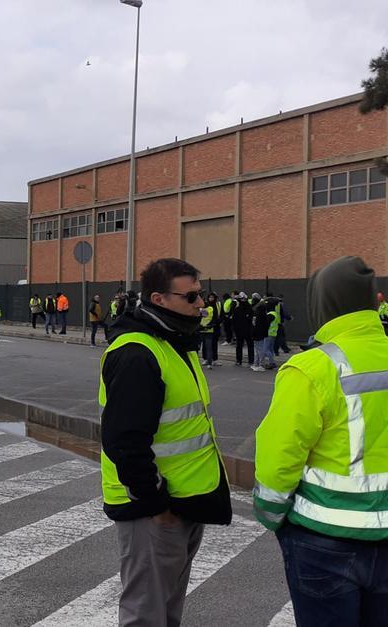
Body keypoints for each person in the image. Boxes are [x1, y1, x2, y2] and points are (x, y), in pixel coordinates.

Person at [253, 256, 388, 627]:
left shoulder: (310, 368)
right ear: (375, 303)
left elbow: (279, 461)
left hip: (322, 537)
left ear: (322, 307)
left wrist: (272, 516)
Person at [99, 258, 231, 626]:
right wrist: (155, 503)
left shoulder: (175, 343)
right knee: (146, 613)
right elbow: (124, 441)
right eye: (190, 297)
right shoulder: (137, 352)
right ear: (159, 298)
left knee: (167, 610)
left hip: (182, 503)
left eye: (201, 295)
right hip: (153, 510)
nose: (201, 304)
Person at [232, 291, 254, 367]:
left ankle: (251, 361)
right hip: (239, 330)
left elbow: (251, 319)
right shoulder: (237, 309)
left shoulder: (250, 308)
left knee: (250, 346)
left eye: (244, 299)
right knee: (239, 346)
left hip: (248, 330)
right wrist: (235, 330)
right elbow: (234, 320)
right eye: (242, 299)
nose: (243, 301)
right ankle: (238, 360)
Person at [252, 297, 273, 372]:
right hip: (262, 333)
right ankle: (257, 364)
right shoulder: (264, 314)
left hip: (257, 333)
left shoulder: (257, 314)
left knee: (259, 349)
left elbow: (254, 324)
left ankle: (260, 364)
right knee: (259, 349)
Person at [199, 293, 219, 369]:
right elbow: (215, 319)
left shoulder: (201, 309)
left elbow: (198, 318)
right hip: (208, 330)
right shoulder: (211, 308)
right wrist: (209, 325)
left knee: (199, 347)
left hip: (203, 330)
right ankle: (209, 363)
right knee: (208, 347)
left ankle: (205, 361)